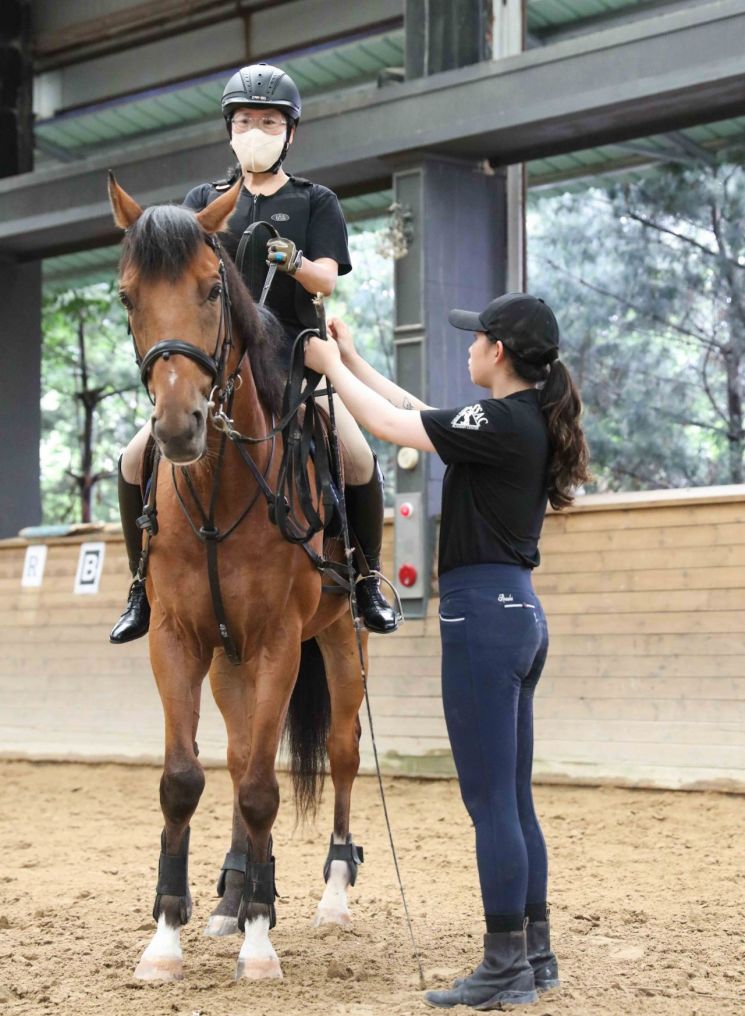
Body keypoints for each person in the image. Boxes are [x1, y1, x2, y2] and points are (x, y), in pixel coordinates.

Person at [304, 293, 590, 1009]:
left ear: (499, 352)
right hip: (516, 612)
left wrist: (328, 367)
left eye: (475, 338)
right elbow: (414, 409)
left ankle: (504, 965)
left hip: (481, 617)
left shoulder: (501, 421)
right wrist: (353, 357)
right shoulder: (516, 420)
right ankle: (535, 953)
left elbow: (386, 425)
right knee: (512, 799)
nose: (467, 347)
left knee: (489, 803)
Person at [110, 63, 397, 644]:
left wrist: (294, 261)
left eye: (269, 122)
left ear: (290, 133)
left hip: (296, 357)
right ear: (230, 129)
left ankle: (365, 578)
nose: (255, 132)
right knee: (133, 459)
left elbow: (326, 280)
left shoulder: (315, 201)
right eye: (244, 121)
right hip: (221, 364)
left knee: (359, 458)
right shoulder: (202, 201)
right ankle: (141, 584)